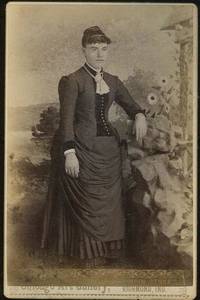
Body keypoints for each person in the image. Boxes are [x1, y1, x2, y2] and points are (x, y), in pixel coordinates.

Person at [41, 26, 147, 266]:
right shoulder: (72, 81)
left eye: (104, 49)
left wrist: (139, 115)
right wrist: (69, 153)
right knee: (89, 201)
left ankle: (110, 251)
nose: (99, 54)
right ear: (84, 50)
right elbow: (67, 121)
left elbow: (133, 106)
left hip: (109, 152)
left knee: (110, 204)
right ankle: (90, 254)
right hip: (81, 150)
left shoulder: (113, 81)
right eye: (93, 49)